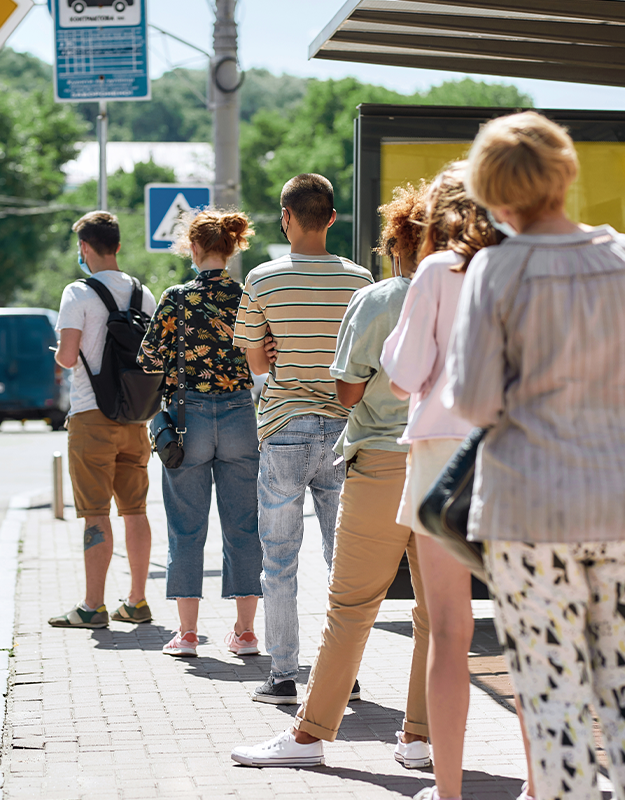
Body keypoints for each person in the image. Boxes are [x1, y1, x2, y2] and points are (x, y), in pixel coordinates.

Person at [445, 112, 625, 800]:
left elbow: (474, 400)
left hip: (530, 512)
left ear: (492, 192)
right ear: (566, 172)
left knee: (556, 716)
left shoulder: (495, 269)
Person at [231, 184, 432, 767]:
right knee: (432, 610)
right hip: (446, 464)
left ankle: (305, 722)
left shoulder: (369, 296)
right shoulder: (444, 295)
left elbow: (321, 378)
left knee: (330, 589)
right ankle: (417, 739)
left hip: (352, 446)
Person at [380, 164, 534, 800]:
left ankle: (448, 792)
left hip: (443, 451)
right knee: (530, 629)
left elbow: (405, 371)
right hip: (521, 450)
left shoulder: (438, 271)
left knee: (448, 630)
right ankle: (539, 786)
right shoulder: (528, 266)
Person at [232, 173, 374, 704]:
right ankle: (344, 677)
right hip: (343, 431)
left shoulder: (264, 279)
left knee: (279, 560)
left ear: (286, 217)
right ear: (333, 218)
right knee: (344, 561)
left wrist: (275, 366)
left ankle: (283, 676)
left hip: (284, 428)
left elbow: (252, 355)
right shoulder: (360, 281)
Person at [137, 210, 264, 657]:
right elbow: (261, 354)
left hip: (187, 419)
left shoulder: (177, 297)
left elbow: (149, 359)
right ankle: (245, 633)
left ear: (193, 249)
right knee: (244, 527)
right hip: (238, 416)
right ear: (230, 249)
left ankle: (188, 635)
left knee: (187, 528)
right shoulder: (248, 294)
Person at [48, 210, 156, 629]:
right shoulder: (143, 294)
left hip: (92, 418)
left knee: (96, 514)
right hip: (135, 417)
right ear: (118, 246)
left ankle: (93, 606)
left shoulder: (77, 293)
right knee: (136, 511)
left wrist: (58, 354)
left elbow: (69, 356)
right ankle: (137, 601)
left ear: (85, 249)